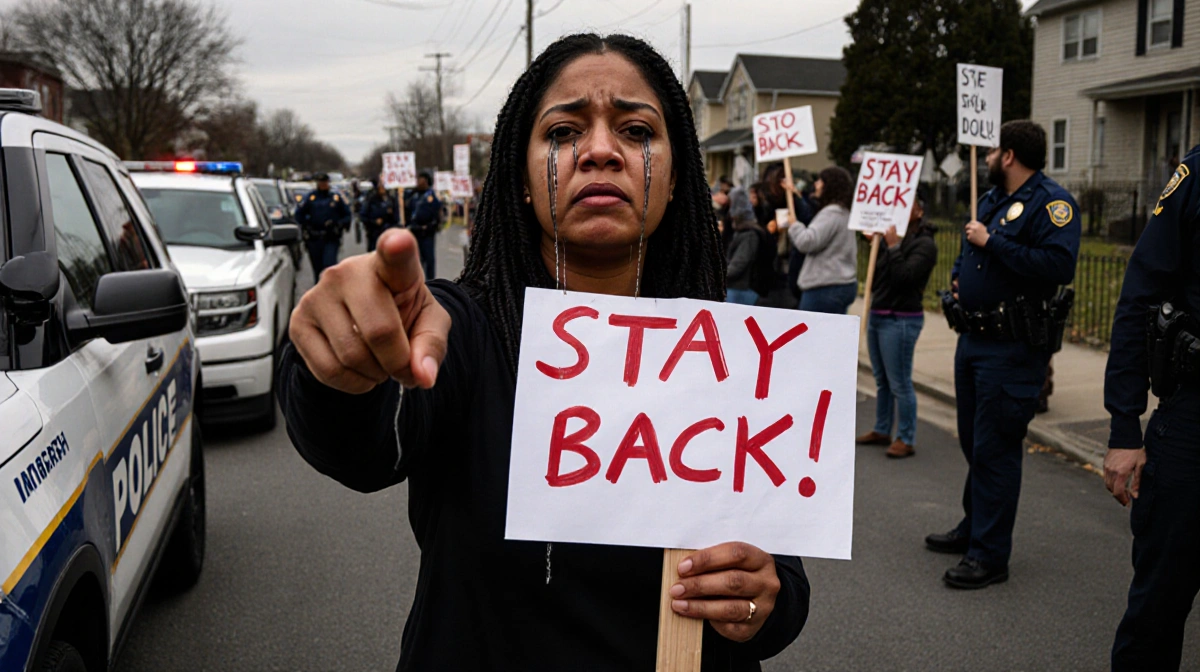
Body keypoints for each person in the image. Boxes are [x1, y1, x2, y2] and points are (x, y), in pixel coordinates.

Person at [277, 33, 809, 670]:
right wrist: (347, 366)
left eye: (637, 131)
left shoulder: (735, 357)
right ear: (523, 179)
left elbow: (784, 585)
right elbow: (362, 448)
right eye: (563, 132)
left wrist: (761, 601)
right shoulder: (462, 328)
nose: (602, 151)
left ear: (675, 180)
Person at [926, 120, 1080, 589]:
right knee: (975, 443)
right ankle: (975, 528)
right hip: (973, 340)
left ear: (1009, 155)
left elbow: (1057, 265)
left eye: (993, 152)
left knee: (995, 449)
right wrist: (958, 278)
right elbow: (967, 250)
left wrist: (993, 242)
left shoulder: (1052, 204)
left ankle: (990, 555)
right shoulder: (992, 199)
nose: (988, 158)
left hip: (1011, 348)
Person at [1103, 143, 1200, 670]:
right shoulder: (1197, 175)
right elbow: (1141, 296)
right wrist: (1124, 426)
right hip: (1192, 430)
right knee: (1157, 616)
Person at [855, 195, 938, 458]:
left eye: (909, 203)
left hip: (900, 319)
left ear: (919, 211)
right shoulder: (892, 238)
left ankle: (906, 436)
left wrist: (892, 247)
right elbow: (881, 275)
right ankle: (882, 428)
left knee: (899, 381)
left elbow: (905, 278)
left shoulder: (925, 244)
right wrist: (876, 243)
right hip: (879, 314)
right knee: (882, 381)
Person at [787, 166, 857, 314]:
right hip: (839, 284)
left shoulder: (831, 213)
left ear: (829, 185)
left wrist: (794, 225)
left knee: (812, 336)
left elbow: (807, 242)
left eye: (820, 181)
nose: (816, 184)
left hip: (824, 287)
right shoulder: (843, 212)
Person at [295, 172, 351, 280]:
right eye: (320, 182)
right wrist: (307, 225)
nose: (323, 185)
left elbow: (347, 215)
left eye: (324, 182)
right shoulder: (310, 198)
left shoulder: (336, 198)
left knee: (329, 267)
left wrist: (338, 224)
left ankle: (330, 292)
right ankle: (319, 293)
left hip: (331, 238)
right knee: (318, 270)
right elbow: (299, 215)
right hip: (314, 238)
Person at [725, 186, 771, 305]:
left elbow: (739, 264)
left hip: (741, 289)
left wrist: (717, 275)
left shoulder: (749, 234)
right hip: (738, 288)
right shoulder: (742, 231)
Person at [406, 172, 441, 279]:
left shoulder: (431, 197)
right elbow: (408, 211)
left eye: (420, 180)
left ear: (426, 181)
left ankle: (431, 283)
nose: (418, 182)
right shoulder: (414, 196)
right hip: (415, 232)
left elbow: (437, 214)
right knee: (417, 260)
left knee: (429, 260)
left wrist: (430, 227)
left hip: (427, 233)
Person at [359, 181, 399, 253]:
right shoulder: (371, 200)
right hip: (374, 234)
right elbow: (363, 216)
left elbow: (397, 218)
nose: (382, 189)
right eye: (381, 187)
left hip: (388, 233)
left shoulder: (391, 200)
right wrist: (373, 221)